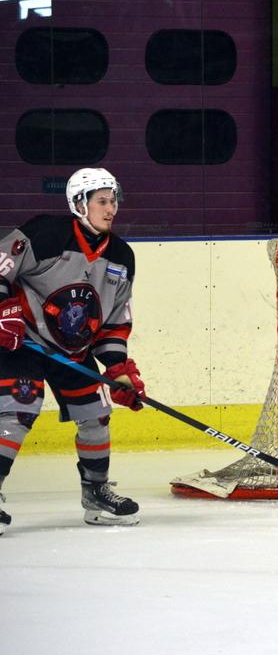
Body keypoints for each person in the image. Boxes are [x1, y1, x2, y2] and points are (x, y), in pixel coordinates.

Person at [0, 167, 144, 535]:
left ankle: (96, 494)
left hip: (72, 352)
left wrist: (117, 369)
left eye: (113, 201)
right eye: (102, 201)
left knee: (96, 414)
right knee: (19, 407)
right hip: (22, 341)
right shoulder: (45, 233)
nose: (111, 209)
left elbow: (113, 323)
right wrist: (4, 311)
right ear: (80, 204)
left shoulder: (122, 256)